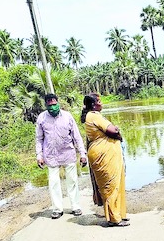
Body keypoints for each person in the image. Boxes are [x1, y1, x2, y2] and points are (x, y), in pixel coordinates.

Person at [35, 93, 87, 219]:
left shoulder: (67, 116)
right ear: (46, 105)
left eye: (54, 104)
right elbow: (39, 139)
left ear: (58, 103)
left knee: (72, 181)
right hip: (51, 155)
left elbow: (76, 136)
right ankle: (57, 209)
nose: (53, 107)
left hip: (68, 153)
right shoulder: (42, 118)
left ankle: (75, 206)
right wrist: (39, 155)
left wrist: (82, 153)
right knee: (53, 183)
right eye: (50, 105)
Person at [81, 93, 129, 227]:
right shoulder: (93, 116)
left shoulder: (94, 116)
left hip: (108, 155)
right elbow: (112, 130)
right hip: (103, 155)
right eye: (99, 101)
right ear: (93, 104)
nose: (101, 103)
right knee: (110, 185)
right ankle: (114, 219)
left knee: (117, 183)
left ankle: (119, 214)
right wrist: (117, 132)